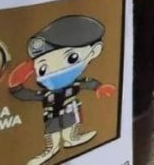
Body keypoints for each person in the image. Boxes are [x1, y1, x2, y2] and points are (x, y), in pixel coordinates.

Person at [8, 15, 117, 165]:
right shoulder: (45, 93)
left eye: (71, 58)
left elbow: (86, 82)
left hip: (70, 109)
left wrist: (99, 87)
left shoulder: (74, 84)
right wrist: (17, 82)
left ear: (94, 51)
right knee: (51, 131)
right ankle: (51, 149)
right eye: (42, 69)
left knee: (70, 124)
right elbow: (24, 94)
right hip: (51, 114)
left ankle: (72, 138)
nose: (53, 72)